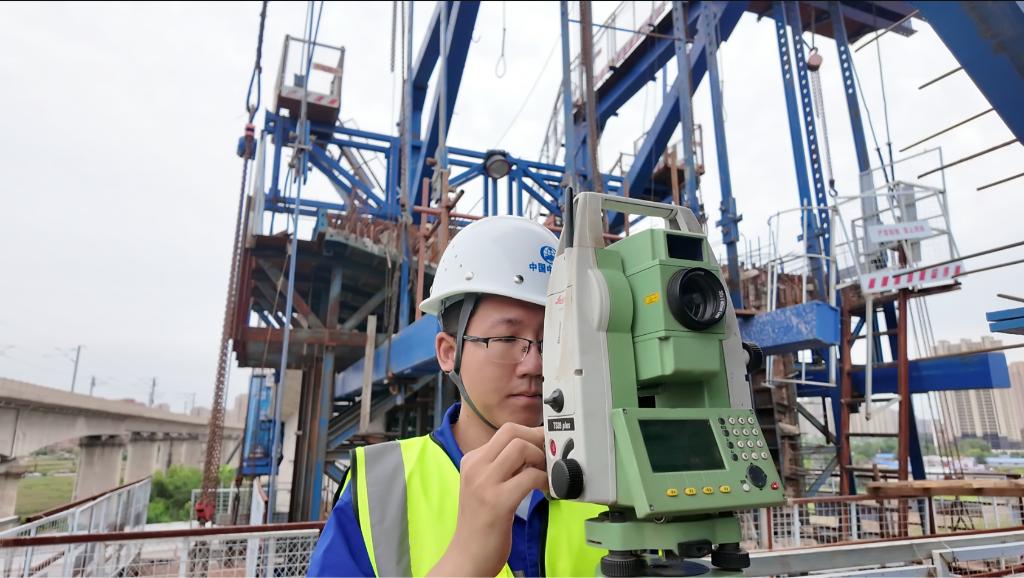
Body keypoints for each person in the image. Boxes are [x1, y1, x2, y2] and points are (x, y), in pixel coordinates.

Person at [308, 215, 606, 577]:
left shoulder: (610, 476)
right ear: (449, 353)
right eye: (507, 339)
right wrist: (463, 562)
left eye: (553, 341)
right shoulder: (381, 489)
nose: (536, 364)